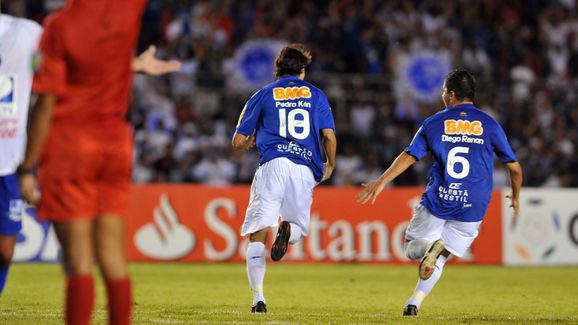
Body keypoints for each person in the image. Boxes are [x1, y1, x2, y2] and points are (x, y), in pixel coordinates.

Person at [17, 1, 180, 324]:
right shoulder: (125, 11)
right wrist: (132, 65)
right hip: (115, 142)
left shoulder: (59, 25)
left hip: (71, 145)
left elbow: (45, 102)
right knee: (113, 258)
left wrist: (26, 167)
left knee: (79, 261)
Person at [357, 70, 523, 316]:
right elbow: (514, 168)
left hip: (440, 199)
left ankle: (427, 250)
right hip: (473, 205)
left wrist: (381, 181)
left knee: (414, 249)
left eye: (444, 90)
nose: (443, 94)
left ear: (452, 95)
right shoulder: (490, 124)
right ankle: (414, 301)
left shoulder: (434, 122)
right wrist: (516, 196)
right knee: (440, 258)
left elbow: (410, 155)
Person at [232, 43, 337, 313]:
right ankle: (288, 231)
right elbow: (329, 136)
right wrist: (330, 164)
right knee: (297, 229)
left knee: (258, 234)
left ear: (277, 69)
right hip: (304, 169)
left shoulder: (263, 94)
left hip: (273, 164)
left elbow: (238, 140)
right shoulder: (317, 95)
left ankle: (258, 299)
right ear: (302, 70)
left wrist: (248, 143)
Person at [0, 11, 42, 294]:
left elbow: (78, 60)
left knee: (5, 251)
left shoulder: (27, 33)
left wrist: (133, 64)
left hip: (9, 163)